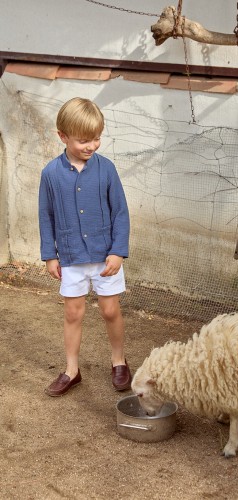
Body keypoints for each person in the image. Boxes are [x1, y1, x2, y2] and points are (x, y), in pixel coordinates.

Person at [39, 97, 131, 396]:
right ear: (62, 136)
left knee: (109, 310)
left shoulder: (107, 170)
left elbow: (120, 212)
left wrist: (117, 251)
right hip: (70, 257)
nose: (92, 146)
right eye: (83, 140)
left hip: (105, 256)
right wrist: (50, 255)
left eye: (97, 139)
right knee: (73, 313)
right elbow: (46, 215)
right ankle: (71, 370)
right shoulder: (51, 174)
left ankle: (118, 361)